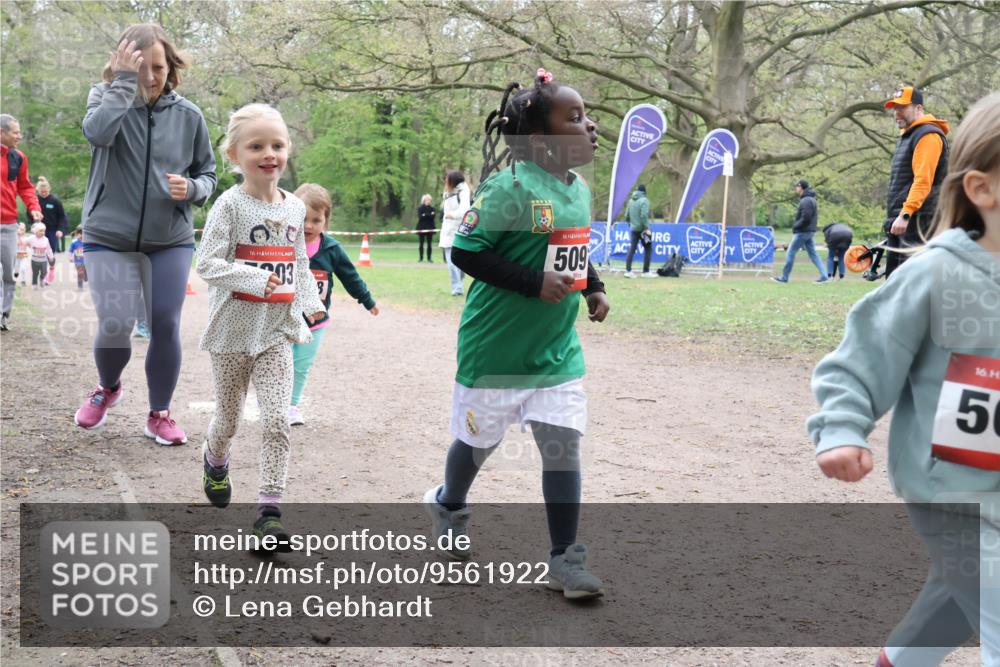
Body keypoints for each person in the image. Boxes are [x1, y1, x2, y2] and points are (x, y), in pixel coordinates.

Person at [808, 92, 1000, 667]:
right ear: (983, 190)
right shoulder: (938, 274)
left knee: (957, 598)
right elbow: (861, 357)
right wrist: (842, 427)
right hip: (954, 495)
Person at [423, 68, 611, 600]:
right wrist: (534, 282)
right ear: (538, 139)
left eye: (587, 115)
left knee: (562, 448)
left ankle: (565, 560)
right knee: (476, 444)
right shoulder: (509, 189)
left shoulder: (578, 190)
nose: (590, 126)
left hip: (555, 354)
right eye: (574, 118)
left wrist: (590, 286)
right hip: (496, 352)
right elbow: (465, 251)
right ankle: (449, 503)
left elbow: (571, 247)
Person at [73, 24, 217, 441]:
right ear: (122, 66)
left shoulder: (188, 115)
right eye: (140, 69)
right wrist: (122, 85)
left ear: (170, 66)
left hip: (169, 237)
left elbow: (207, 172)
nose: (151, 77)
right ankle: (107, 388)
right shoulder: (104, 98)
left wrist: (193, 189)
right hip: (108, 234)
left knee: (165, 323)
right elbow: (97, 134)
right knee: (116, 322)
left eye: (158, 67)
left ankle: (160, 413)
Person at [196, 103, 325, 546]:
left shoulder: (294, 209)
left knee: (276, 420)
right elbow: (207, 264)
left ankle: (269, 512)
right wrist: (253, 277)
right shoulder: (229, 206)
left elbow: (297, 264)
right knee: (229, 419)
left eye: (277, 144)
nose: (269, 154)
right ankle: (215, 459)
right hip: (232, 332)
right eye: (256, 146)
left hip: (275, 332)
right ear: (234, 155)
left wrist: (311, 305)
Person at [289, 183, 379, 426]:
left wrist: (367, 300)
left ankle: (292, 406)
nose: (308, 225)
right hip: (284, 318)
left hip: (316, 321)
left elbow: (351, 276)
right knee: (279, 364)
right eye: (304, 219)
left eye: (316, 220)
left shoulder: (332, 249)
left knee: (301, 366)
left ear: (325, 222)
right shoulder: (284, 245)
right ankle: (275, 401)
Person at [883, 85, 950, 278]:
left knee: (911, 282)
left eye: (902, 107)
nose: (897, 113)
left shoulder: (928, 135)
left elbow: (923, 180)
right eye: (895, 108)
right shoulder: (909, 136)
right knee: (896, 281)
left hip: (919, 220)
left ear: (919, 109)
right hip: (904, 220)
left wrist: (905, 214)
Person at [1, 114, 43, 331]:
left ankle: (3, 315)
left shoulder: (18, 158)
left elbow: (25, 187)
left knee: (8, 273)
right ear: (2, 133)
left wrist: (34, 207)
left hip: (8, 224)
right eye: (15, 132)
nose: (20, 136)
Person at [772, 179, 828, 284]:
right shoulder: (811, 199)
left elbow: (806, 217)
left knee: (790, 253)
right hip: (809, 231)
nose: (795, 188)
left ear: (801, 187)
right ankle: (824, 275)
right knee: (813, 254)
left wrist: (796, 226)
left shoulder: (806, 200)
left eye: (797, 186)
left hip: (803, 231)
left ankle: (784, 277)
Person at [439, 170, 470, 295]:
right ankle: (457, 287)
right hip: (447, 231)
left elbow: (465, 210)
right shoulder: (447, 192)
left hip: (460, 229)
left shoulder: (463, 191)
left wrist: (452, 215)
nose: (445, 182)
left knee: (457, 261)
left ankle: (458, 286)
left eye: (447, 180)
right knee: (451, 261)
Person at [624, 184, 653, 278]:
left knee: (632, 249)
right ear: (644, 192)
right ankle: (645, 271)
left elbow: (626, 216)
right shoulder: (644, 200)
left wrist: (631, 225)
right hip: (643, 230)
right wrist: (647, 228)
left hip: (633, 229)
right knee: (648, 249)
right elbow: (644, 215)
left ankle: (628, 271)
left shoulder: (631, 201)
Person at [36, 177, 68, 256]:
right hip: (38, 230)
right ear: (38, 190)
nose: (43, 193)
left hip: (52, 231)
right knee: (39, 252)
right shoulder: (35, 200)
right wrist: (33, 223)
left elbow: (62, 216)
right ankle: (41, 267)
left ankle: (50, 267)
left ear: (49, 189)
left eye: (45, 191)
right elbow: (30, 213)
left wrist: (60, 229)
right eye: (41, 192)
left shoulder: (55, 200)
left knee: (50, 252)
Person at [27, 222, 53, 288]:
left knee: (44, 272)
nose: (42, 232)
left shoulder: (46, 239)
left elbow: (49, 249)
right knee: (35, 273)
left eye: (44, 231)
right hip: (34, 260)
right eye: (40, 231)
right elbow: (25, 241)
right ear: (36, 231)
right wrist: (28, 245)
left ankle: (42, 279)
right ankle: (34, 284)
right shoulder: (32, 238)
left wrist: (51, 257)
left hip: (43, 260)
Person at [416, 193, 436, 263]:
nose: (429, 201)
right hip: (422, 227)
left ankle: (429, 258)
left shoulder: (432, 208)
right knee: (421, 243)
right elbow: (420, 217)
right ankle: (421, 258)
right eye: (428, 200)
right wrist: (428, 215)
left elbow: (433, 217)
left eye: (430, 200)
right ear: (424, 200)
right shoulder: (420, 208)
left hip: (430, 228)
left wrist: (425, 215)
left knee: (429, 244)